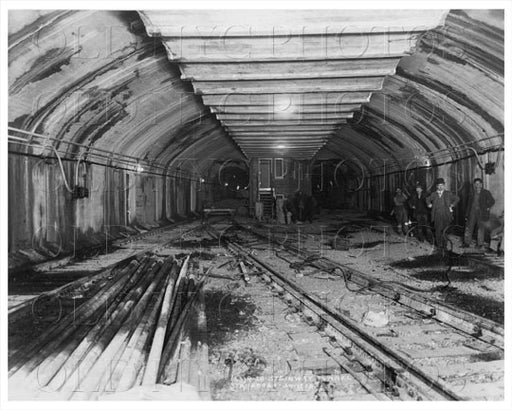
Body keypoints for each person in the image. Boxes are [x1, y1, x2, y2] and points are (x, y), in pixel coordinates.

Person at [426, 178, 459, 250]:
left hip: (446, 214)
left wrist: (453, 204)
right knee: (438, 230)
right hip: (437, 215)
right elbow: (427, 199)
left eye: (442, 185)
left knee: (445, 230)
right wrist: (429, 204)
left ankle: (445, 245)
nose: (440, 187)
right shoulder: (434, 194)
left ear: (444, 186)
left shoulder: (448, 193)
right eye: (439, 185)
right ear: (437, 186)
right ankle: (439, 245)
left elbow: (457, 198)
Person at [463, 178, 495, 249]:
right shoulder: (472, 193)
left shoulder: (486, 192)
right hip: (472, 212)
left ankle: (480, 244)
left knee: (480, 228)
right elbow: (468, 204)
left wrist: (488, 207)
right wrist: (466, 214)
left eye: (479, 184)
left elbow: (492, 201)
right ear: (474, 185)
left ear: (481, 184)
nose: (477, 185)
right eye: (476, 184)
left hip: (481, 212)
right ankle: (466, 243)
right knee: (469, 227)